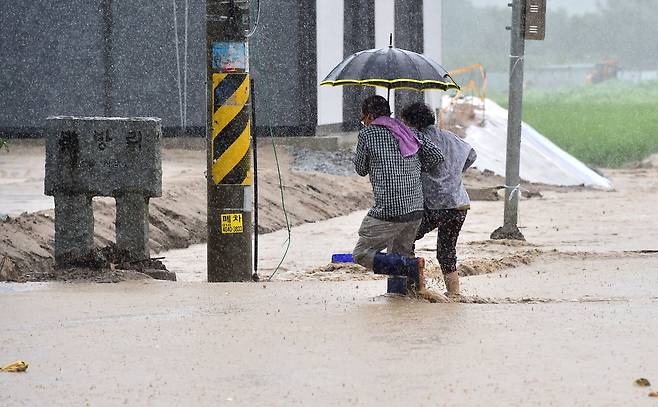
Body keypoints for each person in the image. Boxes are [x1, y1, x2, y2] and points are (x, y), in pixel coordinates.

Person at [352, 95, 443, 291]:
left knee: (361, 253)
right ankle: (406, 297)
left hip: (389, 210)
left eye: (363, 118)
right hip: (416, 209)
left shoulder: (368, 134)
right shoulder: (408, 131)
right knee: (400, 256)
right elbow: (437, 156)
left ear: (368, 116)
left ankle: (411, 267)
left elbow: (360, 169)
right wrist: (415, 168)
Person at [401, 102, 477, 297]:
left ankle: (417, 288)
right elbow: (472, 155)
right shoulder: (450, 137)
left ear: (412, 123)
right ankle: (454, 295)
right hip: (459, 204)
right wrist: (454, 174)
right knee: (446, 252)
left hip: (437, 205)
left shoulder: (418, 141)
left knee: (405, 240)